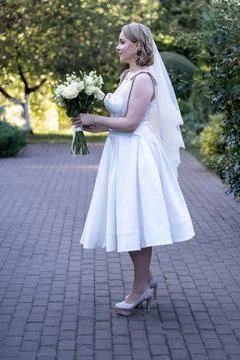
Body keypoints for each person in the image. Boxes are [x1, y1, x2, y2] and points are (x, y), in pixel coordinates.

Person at [72, 22, 195, 316]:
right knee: (127, 219)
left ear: (138, 46)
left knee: (136, 222)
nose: (117, 46)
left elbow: (130, 124)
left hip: (138, 156)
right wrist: (92, 126)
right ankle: (146, 279)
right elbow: (120, 120)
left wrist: (97, 118)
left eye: (122, 41)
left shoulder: (143, 79)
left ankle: (139, 289)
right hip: (121, 154)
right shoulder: (127, 75)